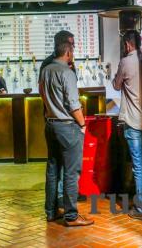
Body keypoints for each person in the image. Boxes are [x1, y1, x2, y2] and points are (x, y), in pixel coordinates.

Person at [39, 41, 93, 226]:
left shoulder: (46, 70)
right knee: (71, 172)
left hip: (50, 124)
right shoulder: (67, 73)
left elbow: (41, 94)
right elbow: (73, 104)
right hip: (67, 126)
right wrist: (83, 124)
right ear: (68, 53)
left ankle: (51, 211)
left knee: (53, 169)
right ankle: (71, 216)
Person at [112, 30, 142, 221]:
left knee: (139, 165)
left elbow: (116, 85)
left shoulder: (126, 62)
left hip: (133, 120)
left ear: (128, 45)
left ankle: (141, 209)